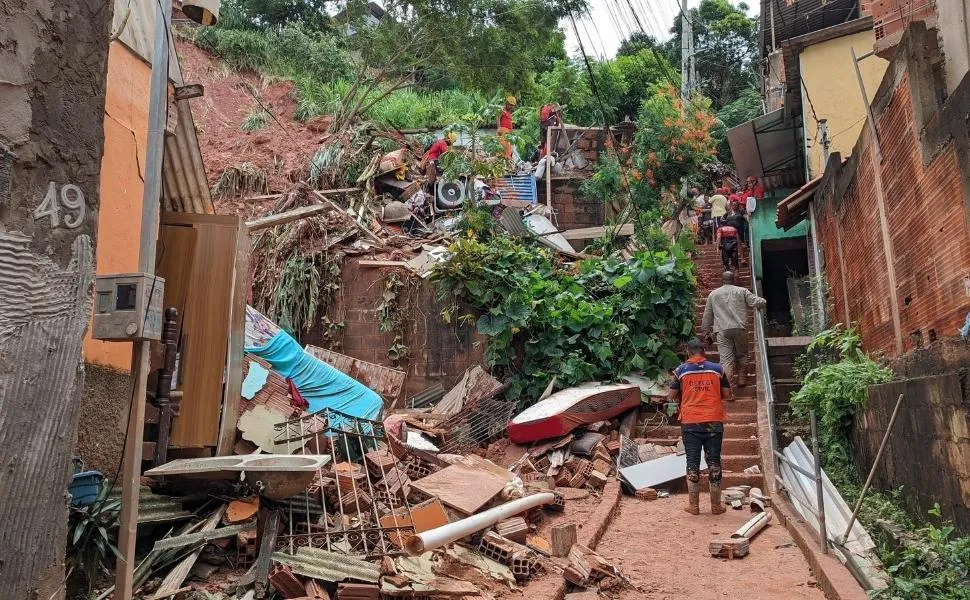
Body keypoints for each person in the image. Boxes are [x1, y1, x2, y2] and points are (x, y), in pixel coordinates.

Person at [669, 337, 732, 515]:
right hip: (713, 421)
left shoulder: (681, 371)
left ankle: (694, 506)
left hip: (690, 422)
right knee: (714, 461)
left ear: (688, 353)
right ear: (704, 352)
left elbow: (672, 395)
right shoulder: (718, 369)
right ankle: (716, 505)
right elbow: (727, 394)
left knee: (692, 461)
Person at [701, 271, 767, 388]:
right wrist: (763, 302)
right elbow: (756, 301)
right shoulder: (742, 291)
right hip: (740, 328)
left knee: (726, 360)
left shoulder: (713, 294)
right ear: (733, 280)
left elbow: (707, 314)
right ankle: (742, 379)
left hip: (722, 330)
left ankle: (728, 387)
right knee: (742, 354)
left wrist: (706, 332)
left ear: (722, 280)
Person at [497, 95, 516, 161]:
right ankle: (502, 162)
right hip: (503, 131)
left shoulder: (509, 112)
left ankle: (508, 162)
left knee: (509, 149)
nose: (511, 107)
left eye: (512, 105)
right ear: (506, 103)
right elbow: (498, 118)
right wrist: (499, 128)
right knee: (503, 149)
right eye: (510, 105)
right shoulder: (502, 109)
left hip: (508, 133)